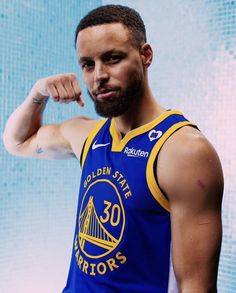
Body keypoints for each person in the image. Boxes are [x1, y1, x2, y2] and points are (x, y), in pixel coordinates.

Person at [3, 4, 224, 293]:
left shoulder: (183, 151)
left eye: (113, 59)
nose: (99, 76)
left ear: (146, 56)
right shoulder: (88, 136)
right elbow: (17, 142)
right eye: (88, 64)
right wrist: (38, 93)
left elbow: (196, 286)